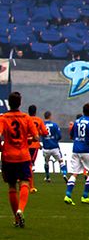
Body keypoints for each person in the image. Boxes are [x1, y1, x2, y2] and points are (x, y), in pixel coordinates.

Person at [0, 92, 40, 228]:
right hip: (23, 155)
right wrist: (27, 139)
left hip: (8, 156)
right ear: (20, 103)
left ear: (9, 103)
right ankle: (20, 210)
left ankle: (16, 219)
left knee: (11, 186)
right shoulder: (26, 118)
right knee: (24, 183)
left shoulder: (3, 118)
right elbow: (36, 137)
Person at [65, 103, 89, 206]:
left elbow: (71, 136)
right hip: (86, 150)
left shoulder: (76, 122)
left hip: (75, 150)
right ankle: (85, 196)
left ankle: (68, 195)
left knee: (74, 173)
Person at [26, 105, 48, 193]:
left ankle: (21, 180)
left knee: (25, 164)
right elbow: (45, 132)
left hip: (25, 144)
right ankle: (31, 186)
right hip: (34, 145)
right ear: (35, 112)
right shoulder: (39, 120)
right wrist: (39, 132)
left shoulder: (26, 119)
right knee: (30, 165)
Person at [41, 111, 67, 183]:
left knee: (46, 162)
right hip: (54, 147)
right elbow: (59, 136)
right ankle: (64, 174)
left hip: (46, 147)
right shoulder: (54, 125)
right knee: (61, 161)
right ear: (50, 116)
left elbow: (40, 134)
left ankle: (47, 177)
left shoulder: (42, 125)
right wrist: (55, 140)